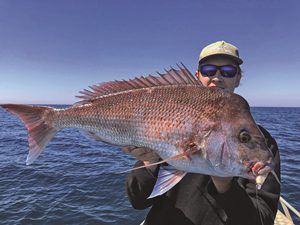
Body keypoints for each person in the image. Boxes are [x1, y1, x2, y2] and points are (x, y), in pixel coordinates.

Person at [124, 41, 281, 225]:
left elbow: (262, 220)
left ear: (237, 78)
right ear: (198, 76)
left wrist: (224, 184)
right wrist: (149, 164)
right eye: (208, 70)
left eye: (227, 71)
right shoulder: (169, 123)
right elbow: (138, 201)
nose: (216, 77)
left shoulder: (262, 145)